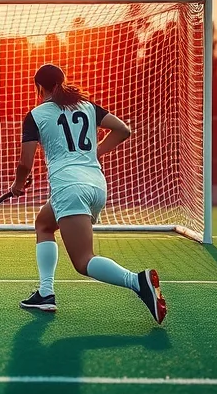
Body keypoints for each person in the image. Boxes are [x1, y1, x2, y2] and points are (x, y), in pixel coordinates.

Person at [9, 64, 166, 323]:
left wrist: (18, 185)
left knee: (83, 262)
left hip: (69, 188)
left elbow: (25, 163)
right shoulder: (88, 106)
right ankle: (45, 293)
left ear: (39, 88)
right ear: (63, 81)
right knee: (44, 224)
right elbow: (123, 130)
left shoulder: (36, 115)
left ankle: (138, 282)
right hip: (96, 186)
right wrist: (95, 153)